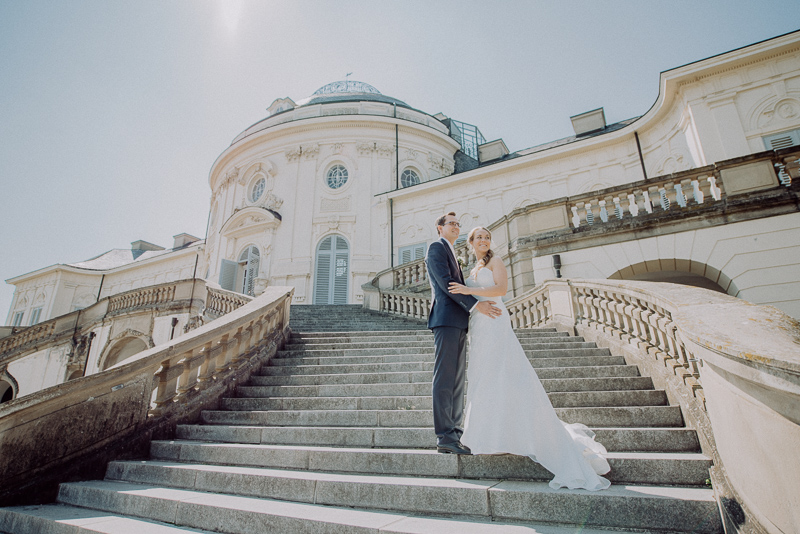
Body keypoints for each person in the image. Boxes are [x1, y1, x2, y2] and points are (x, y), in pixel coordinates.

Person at [448, 226, 611, 490]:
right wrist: (473, 300)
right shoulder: (474, 268)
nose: (484, 240)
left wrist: (468, 293)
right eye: (479, 237)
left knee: (505, 372)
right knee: (483, 376)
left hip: (496, 321)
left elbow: (501, 289)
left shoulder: (496, 261)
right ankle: (489, 434)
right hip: (479, 323)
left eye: (487, 237)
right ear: (471, 243)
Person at [425, 212, 502, 455]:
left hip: (459, 321)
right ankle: (444, 436)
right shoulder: (436, 248)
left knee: (457, 380)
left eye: (458, 224)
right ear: (440, 228)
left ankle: (455, 432)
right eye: (451, 224)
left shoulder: (452, 252)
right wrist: (475, 305)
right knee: (445, 378)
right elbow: (447, 284)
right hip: (446, 320)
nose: (456, 227)